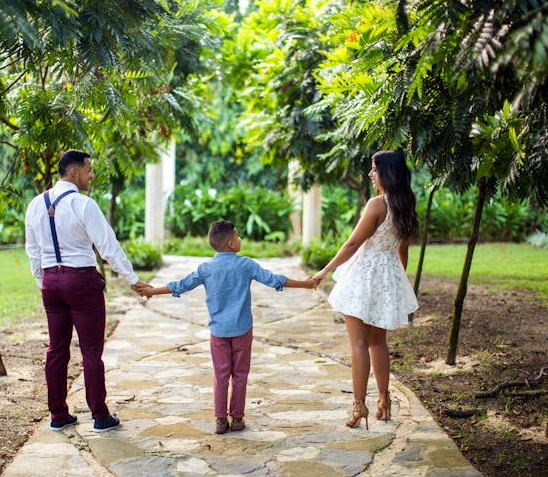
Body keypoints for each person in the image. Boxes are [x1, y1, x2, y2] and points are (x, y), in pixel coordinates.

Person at [141, 219, 316, 434]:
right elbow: (274, 280)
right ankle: (238, 419)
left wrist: (152, 291)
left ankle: (220, 420)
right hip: (243, 329)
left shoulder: (206, 268)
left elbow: (181, 285)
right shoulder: (246, 264)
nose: (240, 238)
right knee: (240, 374)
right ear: (232, 244)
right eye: (238, 235)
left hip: (219, 331)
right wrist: (306, 284)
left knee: (221, 375)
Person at [25, 149, 151, 433]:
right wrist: (132, 278)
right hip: (81, 282)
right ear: (74, 172)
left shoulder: (35, 205)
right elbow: (108, 247)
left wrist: (43, 281)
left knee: (56, 350)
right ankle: (99, 415)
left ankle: (58, 415)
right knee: (91, 350)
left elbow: (32, 251)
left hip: (51, 283)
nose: (91, 175)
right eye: (88, 170)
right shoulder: (84, 205)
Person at [310, 150, 419, 430]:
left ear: (387, 173)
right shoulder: (406, 203)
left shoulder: (376, 204)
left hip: (364, 275)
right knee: (377, 342)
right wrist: (396, 281)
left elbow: (352, 244)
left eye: (374, 169)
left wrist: (324, 270)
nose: (371, 174)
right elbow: (402, 251)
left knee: (358, 344)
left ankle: (359, 406)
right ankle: (384, 400)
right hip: (387, 275)